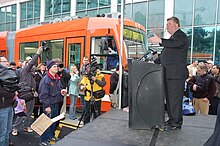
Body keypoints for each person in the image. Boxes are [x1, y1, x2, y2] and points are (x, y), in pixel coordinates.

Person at [148, 16, 189, 130]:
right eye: (167, 25)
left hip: (176, 76)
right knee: (170, 99)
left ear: (177, 25)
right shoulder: (172, 39)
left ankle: (176, 122)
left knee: (175, 99)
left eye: (169, 24)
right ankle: (172, 120)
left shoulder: (181, 36)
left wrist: (160, 40)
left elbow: (174, 44)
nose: (167, 26)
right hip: (169, 75)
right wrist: (152, 62)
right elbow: (165, 56)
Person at [38, 60, 67, 146]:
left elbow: (58, 89)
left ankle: (51, 136)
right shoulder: (46, 80)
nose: (57, 68)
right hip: (49, 104)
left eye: (57, 66)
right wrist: (47, 106)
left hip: (55, 103)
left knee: (53, 122)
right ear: (49, 68)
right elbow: (43, 94)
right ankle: (43, 140)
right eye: (54, 66)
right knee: (46, 123)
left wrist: (62, 92)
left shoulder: (56, 78)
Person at [18, 47, 43, 133]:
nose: (33, 65)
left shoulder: (31, 73)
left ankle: (26, 126)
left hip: (31, 94)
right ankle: (15, 127)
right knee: (22, 112)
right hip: (25, 94)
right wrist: (37, 53)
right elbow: (31, 63)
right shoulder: (25, 70)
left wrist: (34, 91)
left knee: (28, 112)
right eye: (28, 62)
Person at [0, 56, 16, 146]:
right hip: (2, 108)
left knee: (7, 131)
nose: (7, 63)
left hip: (9, 106)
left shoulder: (7, 74)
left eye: (7, 61)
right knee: (2, 132)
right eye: (4, 61)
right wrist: (12, 90)